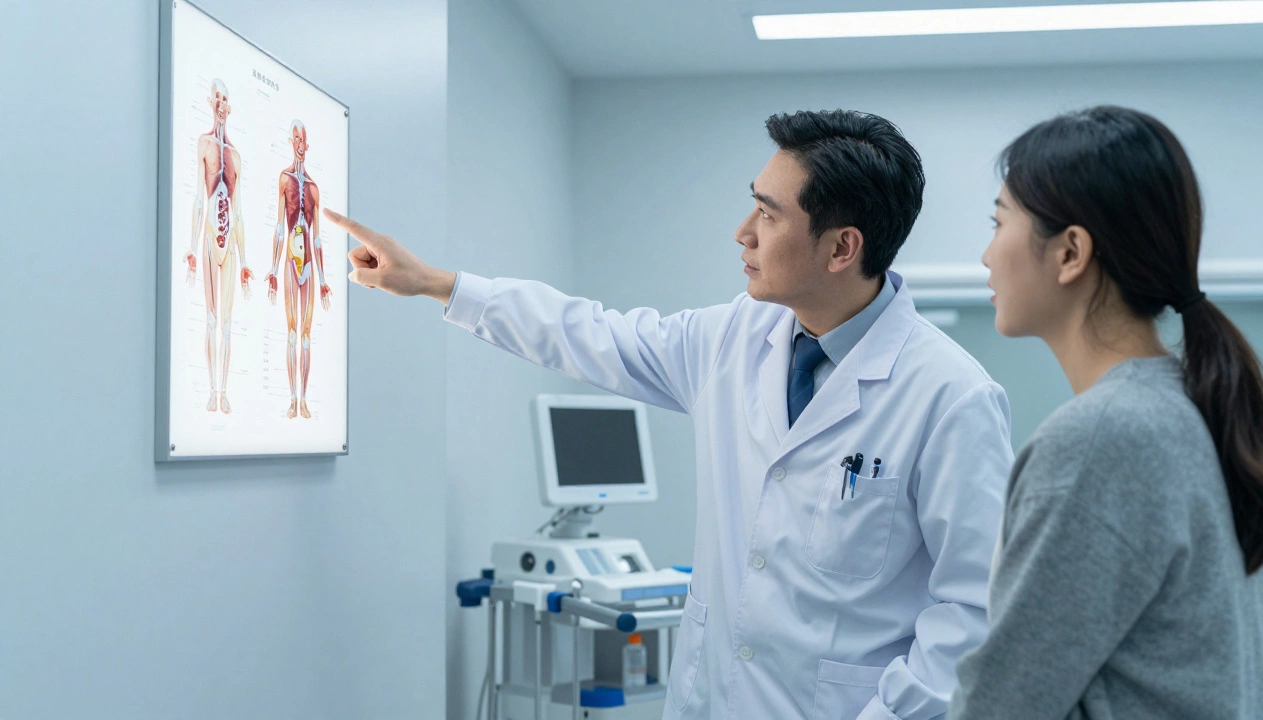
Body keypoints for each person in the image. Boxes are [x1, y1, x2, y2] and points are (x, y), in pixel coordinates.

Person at [331, 110, 1014, 719]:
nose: (743, 233)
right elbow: (589, 333)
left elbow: (973, 619)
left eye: (769, 215)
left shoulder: (950, 397)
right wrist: (435, 284)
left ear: (842, 248)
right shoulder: (733, 338)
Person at [950, 106, 1263, 719]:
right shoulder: (1182, 407)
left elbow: (1001, 704)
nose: (987, 256)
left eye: (999, 224)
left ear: (1070, 252)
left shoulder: (1102, 439)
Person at [184, 78, 252, 414]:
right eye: (217, 97)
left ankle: (223, 392)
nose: (221, 103)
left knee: (227, 323)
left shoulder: (236, 156)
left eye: (225, 98)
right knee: (211, 321)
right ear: (210, 102)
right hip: (211, 236)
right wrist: (192, 245)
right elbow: (200, 198)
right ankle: (212, 391)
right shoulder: (204, 145)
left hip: (229, 244)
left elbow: (238, 213)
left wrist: (246, 261)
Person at [266, 119, 332, 419]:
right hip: (290, 263)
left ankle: (303, 399)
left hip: (308, 266)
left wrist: (323, 279)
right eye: (297, 139)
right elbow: (280, 228)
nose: (301, 145)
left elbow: (317, 237)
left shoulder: (315, 189)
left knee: (305, 333)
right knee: (292, 331)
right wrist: (272, 268)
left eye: (304, 140)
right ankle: (292, 399)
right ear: (291, 142)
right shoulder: (284, 179)